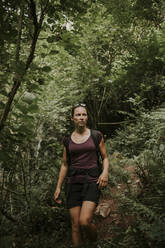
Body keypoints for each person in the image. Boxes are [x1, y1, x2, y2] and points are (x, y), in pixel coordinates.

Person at [54, 103, 109, 247]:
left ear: (87, 117)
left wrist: (105, 172)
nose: (81, 117)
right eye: (78, 115)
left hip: (92, 181)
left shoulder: (96, 135)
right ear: (72, 118)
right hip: (73, 183)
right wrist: (58, 187)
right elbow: (65, 164)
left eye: (84, 114)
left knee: (84, 221)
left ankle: (93, 243)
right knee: (75, 225)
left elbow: (105, 158)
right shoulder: (67, 140)